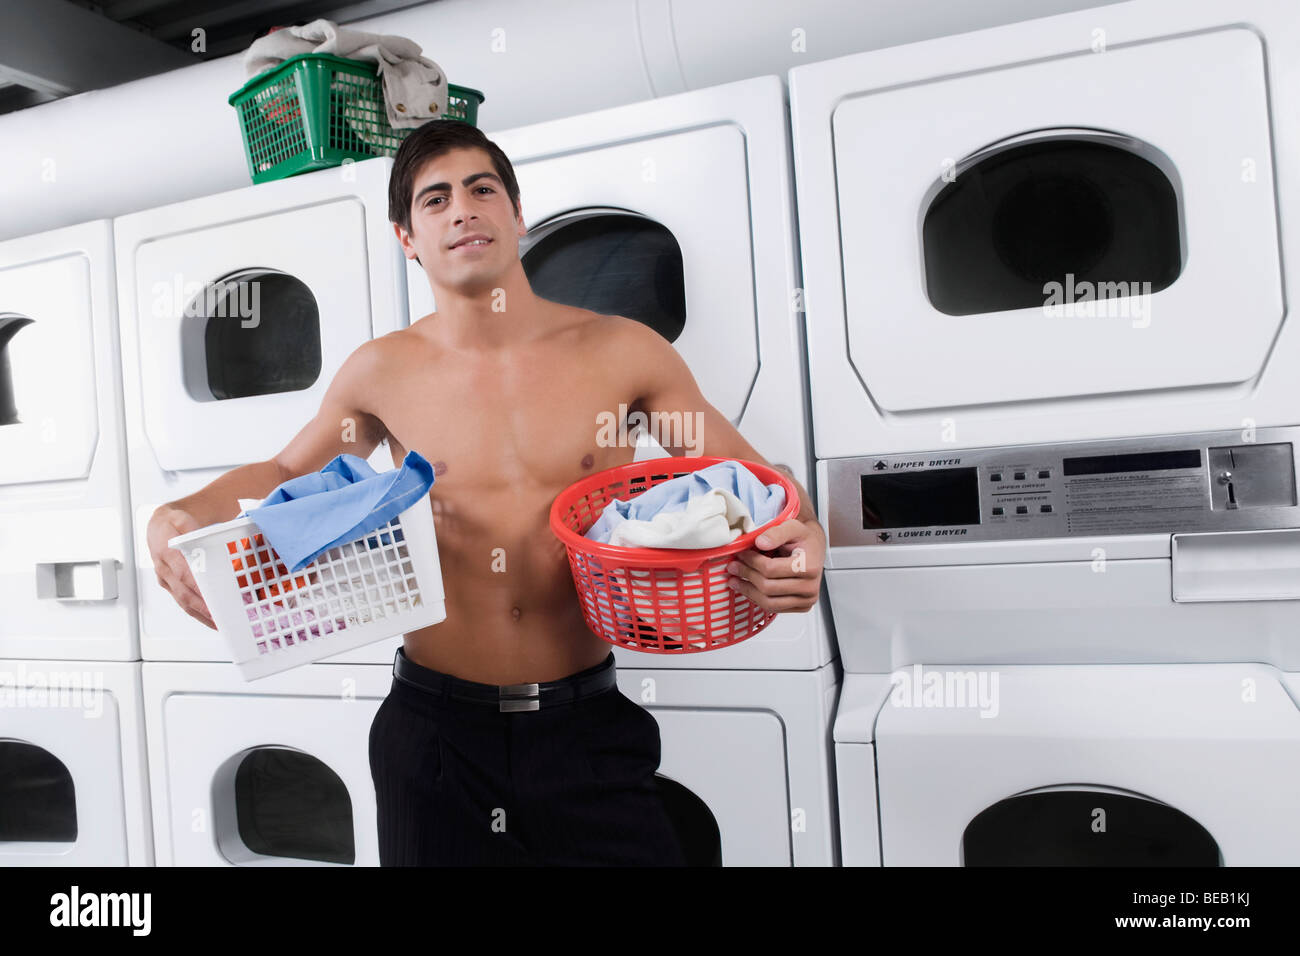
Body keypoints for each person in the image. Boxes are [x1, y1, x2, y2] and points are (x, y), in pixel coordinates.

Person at [147, 120, 827, 866]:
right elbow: (283, 475)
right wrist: (177, 514)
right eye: (435, 199)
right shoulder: (382, 371)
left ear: (517, 213)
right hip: (434, 738)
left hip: (586, 728)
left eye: (482, 189)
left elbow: (757, 484)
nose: (463, 209)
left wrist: (805, 537)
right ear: (408, 238)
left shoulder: (621, 351)